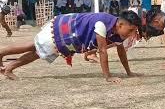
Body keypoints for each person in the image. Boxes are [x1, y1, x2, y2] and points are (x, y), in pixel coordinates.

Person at [0, 11, 141, 83]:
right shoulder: (102, 24)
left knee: (35, 50)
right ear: (121, 25)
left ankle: (8, 66)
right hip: (62, 32)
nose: (131, 34)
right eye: (131, 30)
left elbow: (121, 50)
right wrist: (108, 77)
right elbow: (103, 51)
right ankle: (6, 62)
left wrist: (128, 72)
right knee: (34, 49)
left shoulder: (117, 32)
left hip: (66, 36)